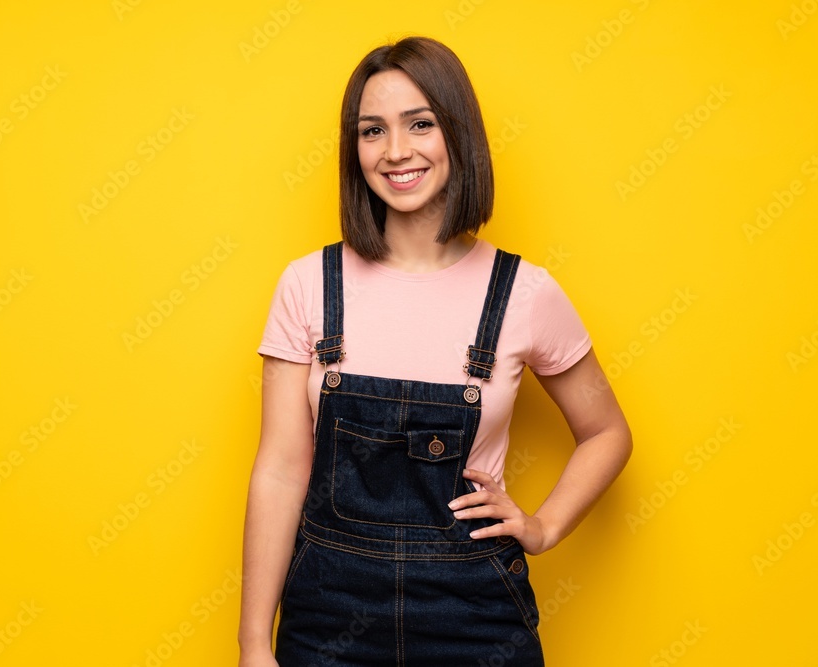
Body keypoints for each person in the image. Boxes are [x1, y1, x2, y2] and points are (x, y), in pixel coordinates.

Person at [239, 36, 632, 666]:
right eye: (373, 130)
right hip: (327, 615)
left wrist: (543, 526)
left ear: (458, 132)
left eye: (420, 123)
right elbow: (281, 470)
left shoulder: (524, 293)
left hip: (474, 615)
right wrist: (253, 643)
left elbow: (607, 432)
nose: (396, 150)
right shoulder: (309, 284)